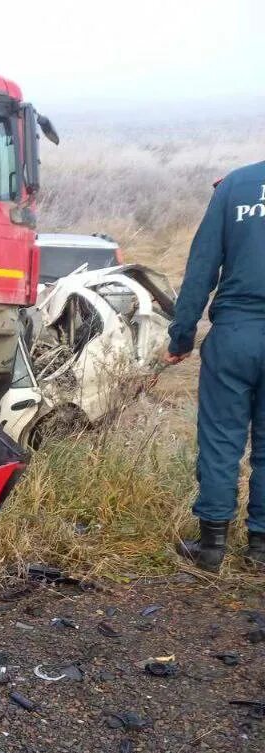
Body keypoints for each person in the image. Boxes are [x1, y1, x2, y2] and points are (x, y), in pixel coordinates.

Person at [167, 160, 265, 571]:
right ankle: (260, 549)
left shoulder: (236, 185)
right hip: (239, 329)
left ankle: (211, 548)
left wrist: (182, 334)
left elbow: (202, 265)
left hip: (236, 334)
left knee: (222, 439)